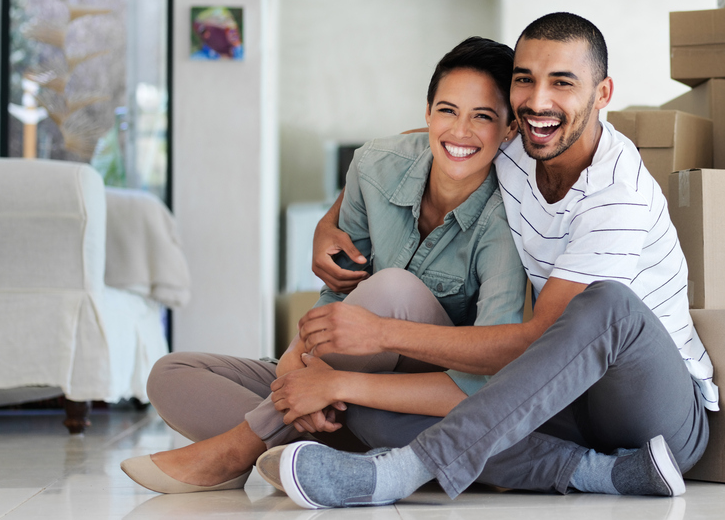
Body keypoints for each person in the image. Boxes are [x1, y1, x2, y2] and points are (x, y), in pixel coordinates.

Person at [276, 12, 718, 509]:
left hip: (654, 415)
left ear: (603, 94)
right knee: (374, 409)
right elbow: (441, 135)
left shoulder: (618, 195)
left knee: (605, 304)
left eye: (562, 83)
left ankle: (406, 471)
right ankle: (602, 472)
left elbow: (538, 338)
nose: (538, 100)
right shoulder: (520, 144)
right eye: (524, 81)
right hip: (569, 402)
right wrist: (329, 219)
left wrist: (378, 337)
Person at [120, 36, 526, 494]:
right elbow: (337, 293)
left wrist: (337, 385)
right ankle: (318, 447)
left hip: (421, 397)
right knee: (171, 375)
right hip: (350, 383)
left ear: (509, 130)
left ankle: (243, 445)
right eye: (448, 110)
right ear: (428, 113)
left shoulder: (510, 214)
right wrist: (298, 370)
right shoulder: (374, 166)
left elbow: (487, 377)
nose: (461, 131)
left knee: (393, 289)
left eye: (484, 117)